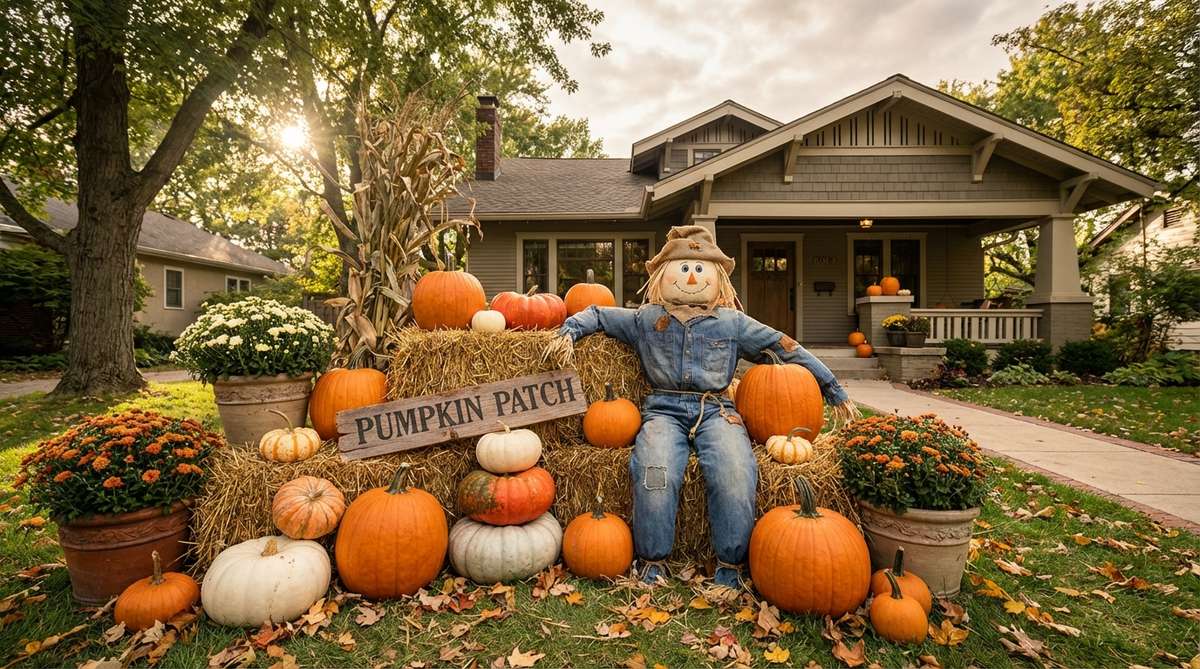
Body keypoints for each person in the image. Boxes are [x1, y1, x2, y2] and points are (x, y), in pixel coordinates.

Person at [558, 225, 857, 588]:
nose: (691, 276)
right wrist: (569, 331)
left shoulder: (732, 323)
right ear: (663, 276)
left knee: (734, 472)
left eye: (700, 269)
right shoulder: (645, 319)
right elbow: (599, 314)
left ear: (718, 279)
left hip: (718, 411)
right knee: (654, 471)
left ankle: (730, 567)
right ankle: (653, 562)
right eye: (683, 268)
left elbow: (783, 345)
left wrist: (831, 387)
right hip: (663, 410)